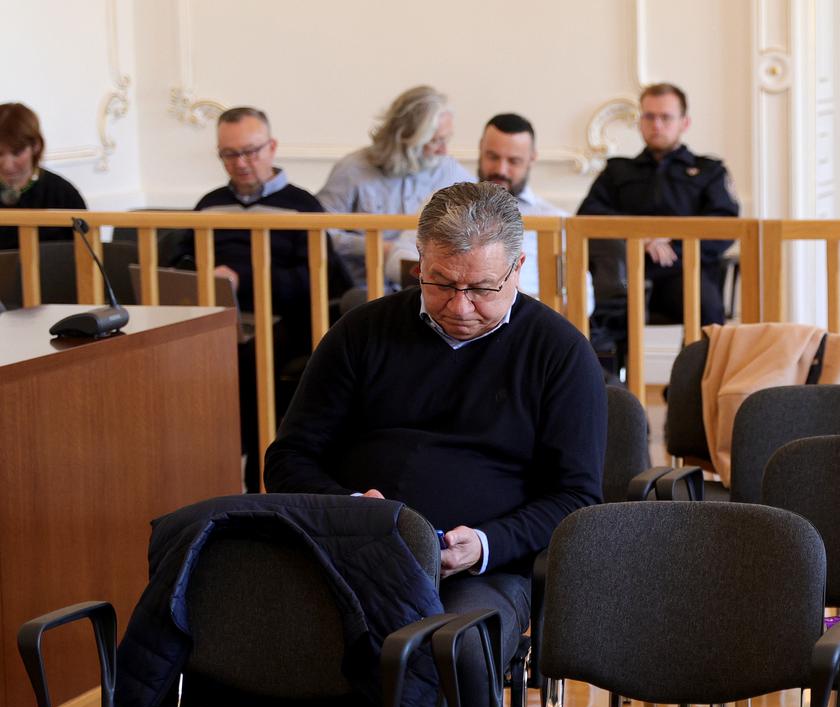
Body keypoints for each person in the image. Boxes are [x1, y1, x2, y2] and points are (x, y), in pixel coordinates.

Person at [263, 181, 606, 707]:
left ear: (518, 269)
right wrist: (356, 508)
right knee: (302, 629)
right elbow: (287, 459)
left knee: (444, 646)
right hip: (362, 555)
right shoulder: (362, 334)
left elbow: (577, 498)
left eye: (481, 289)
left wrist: (478, 543)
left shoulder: (558, 353)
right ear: (418, 263)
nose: (459, 306)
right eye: (441, 284)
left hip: (487, 566)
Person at [170, 107, 353, 490]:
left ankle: (256, 481)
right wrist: (201, 277)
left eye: (251, 151)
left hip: (284, 318)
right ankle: (193, 476)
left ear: (272, 148)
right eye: (230, 154)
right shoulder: (209, 204)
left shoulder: (302, 205)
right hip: (217, 315)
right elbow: (179, 261)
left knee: (254, 357)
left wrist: (245, 279)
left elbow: (317, 278)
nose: (241, 163)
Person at [577, 82, 738, 367]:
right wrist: (641, 238)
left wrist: (674, 245)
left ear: (684, 122)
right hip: (624, 273)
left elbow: (724, 224)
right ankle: (610, 388)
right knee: (598, 308)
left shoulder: (709, 171)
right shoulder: (617, 171)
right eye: (649, 117)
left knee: (707, 306)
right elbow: (589, 216)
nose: (657, 125)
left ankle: (689, 393)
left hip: (684, 271)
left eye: (666, 117)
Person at [386, 113, 564, 297]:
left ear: (532, 159)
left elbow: (583, 298)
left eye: (513, 161)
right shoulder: (445, 202)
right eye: (493, 157)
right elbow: (396, 261)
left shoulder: (556, 219)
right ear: (480, 149)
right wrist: (446, 280)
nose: (500, 169)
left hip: (524, 317)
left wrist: (513, 298)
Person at [317, 86, 473, 290]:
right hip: (362, 289)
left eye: (446, 139)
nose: (444, 150)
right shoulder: (353, 170)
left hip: (426, 291)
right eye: (435, 141)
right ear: (407, 137)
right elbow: (318, 233)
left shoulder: (449, 171)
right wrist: (377, 249)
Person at [0, 102, 86, 249]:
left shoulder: (63, 194)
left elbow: (86, 253)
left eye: (17, 153)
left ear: (35, 146)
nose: (7, 165)